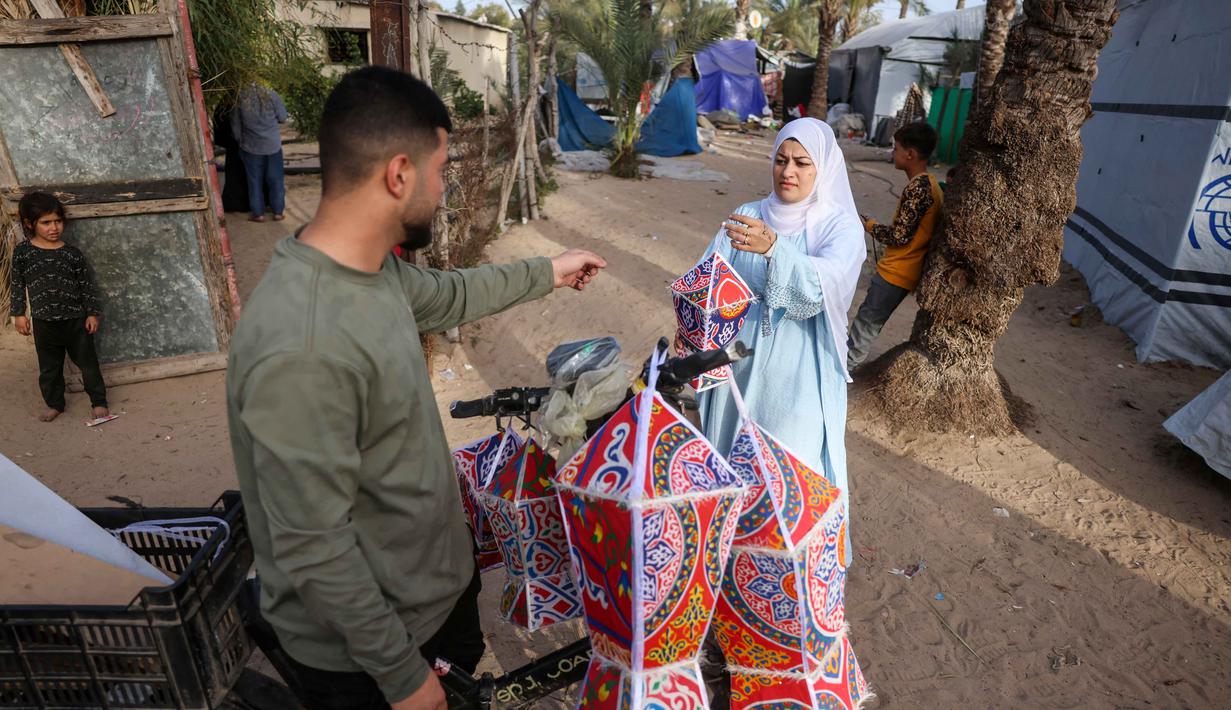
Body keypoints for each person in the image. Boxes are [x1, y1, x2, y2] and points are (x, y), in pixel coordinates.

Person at [225, 66, 605, 710]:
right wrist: (403, 678)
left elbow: (451, 293)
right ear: (398, 174)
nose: (443, 185)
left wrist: (550, 271)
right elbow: (312, 546)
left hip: (429, 601)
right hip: (367, 655)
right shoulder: (303, 343)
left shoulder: (373, 271)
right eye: (440, 169)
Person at [697, 117, 866, 531]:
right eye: (781, 159)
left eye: (802, 163)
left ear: (821, 168)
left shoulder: (839, 226)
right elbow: (709, 273)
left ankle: (792, 573)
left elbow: (820, 289)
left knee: (791, 468)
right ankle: (735, 560)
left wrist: (776, 249)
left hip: (800, 371)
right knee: (734, 461)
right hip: (738, 363)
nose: (787, 172)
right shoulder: (748, 214)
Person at [846, 121, 944, 372]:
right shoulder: (930, 184)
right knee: (867, 324)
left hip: (897, 271)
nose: (892, 153)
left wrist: (870, 226)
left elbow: (899, 237)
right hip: (904, 270)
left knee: (865, 326)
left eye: (896, 148)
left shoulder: (919, 188)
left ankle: (844, 374)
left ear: (910, 154)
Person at [9, 192, 108, 423]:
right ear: (29, 224)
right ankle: (55, 404)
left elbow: (86, 286)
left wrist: (92, 313)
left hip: (76, 321)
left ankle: (99, 401)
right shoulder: (23, 253)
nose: (54, 227)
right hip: (44, 322)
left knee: (88, 364)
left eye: (58, 221)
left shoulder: (72, 254)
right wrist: (18, 314)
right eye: (46, 222)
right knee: (49, 369)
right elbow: (17, 284)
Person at [230, 83, 289, 222]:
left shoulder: (240, 97)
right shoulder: (271, 94)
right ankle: (278, 212)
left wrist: (240, 140)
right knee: (276, 180)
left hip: (251, 146)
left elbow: (235, 124)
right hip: (272, 145)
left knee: (254, 181)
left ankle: (258, 214)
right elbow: (283, 117)